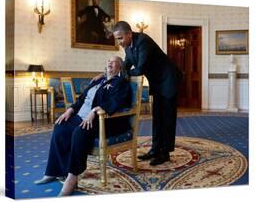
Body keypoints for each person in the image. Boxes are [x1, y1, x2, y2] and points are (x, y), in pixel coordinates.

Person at [35, 56, 131, 196]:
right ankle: (54, 171)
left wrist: (95, 111)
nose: (109, 63)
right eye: (108, 61)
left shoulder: (121, 83)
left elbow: (116, 102)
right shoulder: (98, 80)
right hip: (81, 116)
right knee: (61, 127)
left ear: (120, 68)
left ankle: (72, 177)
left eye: (114, 61)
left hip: (103, 120)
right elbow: (82, 98)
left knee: (79, 132)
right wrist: (70, 110)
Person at [93, 21, 182, 166]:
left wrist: (123, 75)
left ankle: (164, 153)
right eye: (117, 39)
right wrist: (105, 75)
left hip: (169, 80)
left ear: (129, 33)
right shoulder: (128, 47)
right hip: (157, 82)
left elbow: (140, 69)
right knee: (157, 116)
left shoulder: (143, 41)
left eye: (121, 38)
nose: (119, 42)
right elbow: (125, 67)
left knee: (167, 117)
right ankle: (155, 149)